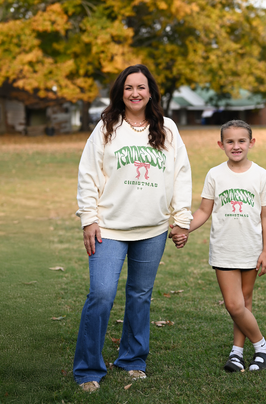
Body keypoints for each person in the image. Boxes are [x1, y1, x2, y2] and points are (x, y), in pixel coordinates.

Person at [73, 64, 192, 392]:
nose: (135, 93)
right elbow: (88, 174)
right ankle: (87, 369)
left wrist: (181, 218)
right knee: (101, 293)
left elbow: (181, 173)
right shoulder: (107, 127)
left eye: (141, 87)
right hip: (109, 227)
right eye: (129, 88)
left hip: (152, 228)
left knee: (140, 295)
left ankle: (132, 359)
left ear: (151, 91)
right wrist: (89, 219)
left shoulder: (166, 128)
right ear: (120, 93)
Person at [170, 120, 266, 372]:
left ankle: (238, 352)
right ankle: (264, 348)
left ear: (252, 143)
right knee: (234, 304)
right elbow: (204, 210)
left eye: (242, 141)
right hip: (223, 249)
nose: (236, 146)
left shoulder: (261, 175)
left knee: (244, 302)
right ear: (221, 144)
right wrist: (184, 228)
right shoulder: (215, 174)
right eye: (230, 141)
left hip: (251, 249)